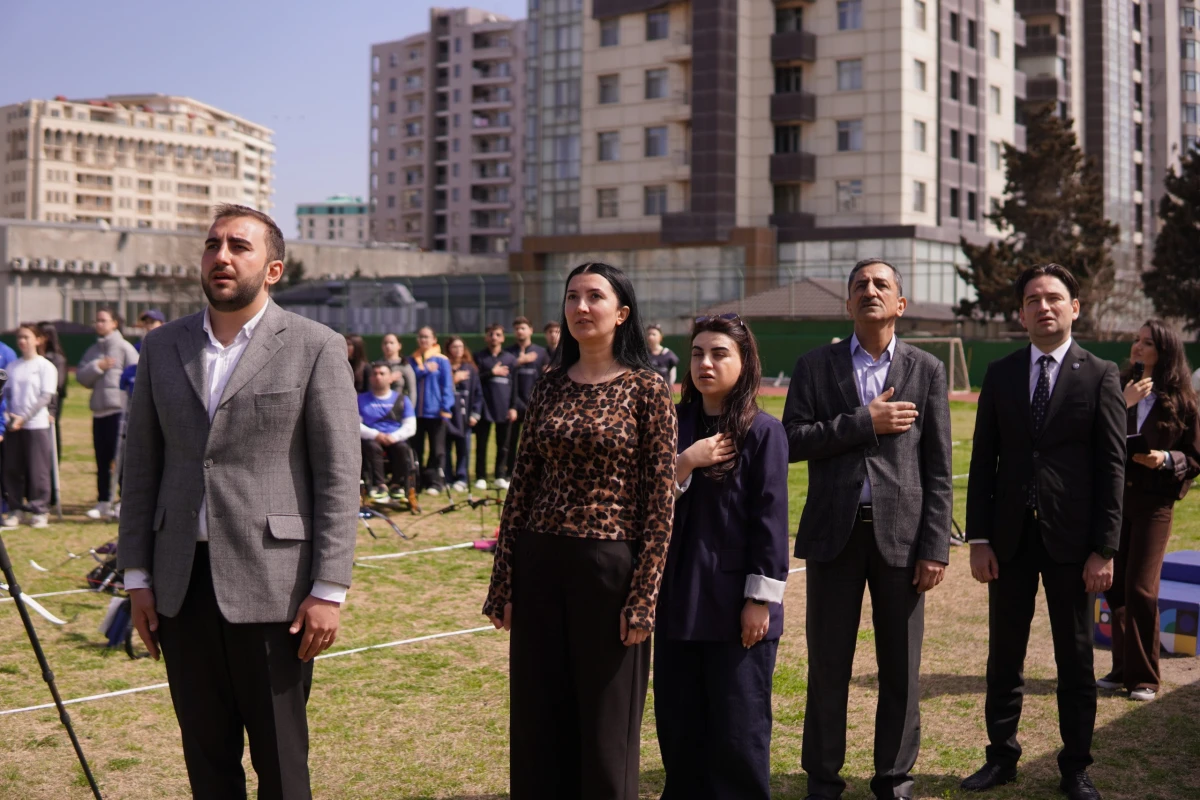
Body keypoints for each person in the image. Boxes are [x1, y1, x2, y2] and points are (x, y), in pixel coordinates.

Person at [117, 204, 361, 799]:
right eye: (212, 244)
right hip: (180, 585)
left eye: (239, 247)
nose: (221, 256)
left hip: (277, 589)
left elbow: (337, 474)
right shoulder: (160, 347)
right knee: (206, 759)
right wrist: (137, 575)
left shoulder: (316, 347)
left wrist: (330, 588)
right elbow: (141, 468)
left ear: (273, 269)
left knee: (281, 762)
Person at [483, 261, 677, 799]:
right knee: (538, 721)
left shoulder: (647, 390)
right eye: (572, 297)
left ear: (623, 313)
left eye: (595, 297)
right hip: (540, 564)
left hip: (610, 568)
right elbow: (520, 487)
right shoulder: (549, 385)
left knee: (606, 727)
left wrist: (644, 597)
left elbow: (661, 501)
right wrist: (503, 584)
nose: (582, 307)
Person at [782, 258, 953, 800]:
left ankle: (894, 778)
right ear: (848, 302)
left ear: (900, 304)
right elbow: (790, 441)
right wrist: (864, 422)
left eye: (882, 285)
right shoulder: (814, 366)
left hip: (901, 540)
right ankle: (823, 779)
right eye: (860, 285)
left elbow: (938, 467)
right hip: (834, 535)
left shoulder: (926, 368)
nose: (869, 291)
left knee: (900, 668)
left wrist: (935, 546)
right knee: (828, 665)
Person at [963, 264, 1125, 800]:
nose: (1044, 306)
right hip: (1009, 541)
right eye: (1033, 299)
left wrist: (1104, 549)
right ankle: (1001, 757)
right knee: (1003, 655)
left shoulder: (1100, 374)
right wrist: (979, 539)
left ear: (1075, 308)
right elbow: (984, 458)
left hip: (1073, 545)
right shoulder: (1002, 371)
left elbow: (1111, 468)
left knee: (1075, 659)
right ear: (1020, 313)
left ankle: (1075, 765)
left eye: (1054, 298)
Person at [655, 314, 790, 799]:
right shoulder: (670, 422)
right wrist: (684, 462)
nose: (705, 363)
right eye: (697, 353)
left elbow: (771, 522)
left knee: (739, 729)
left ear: (745, 361)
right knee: (678, 726)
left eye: (719, 353)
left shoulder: (763, 431)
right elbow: (643, 504)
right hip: (675, 600)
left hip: (736, 606)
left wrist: (761, 600)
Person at [1098, 321, 1200, 703]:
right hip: (1113, 500)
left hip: (1154, 504)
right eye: (1136, 341)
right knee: (1116, 586)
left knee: (1141, 587)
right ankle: (1122, 667)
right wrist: (1120, 403)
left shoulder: (1184, 399)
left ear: (1166, 351)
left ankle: (1145, 678)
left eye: (1147, 343)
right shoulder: (1116, 386)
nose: (1137, 348)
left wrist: (1165, 459)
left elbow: (1194, 457)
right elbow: (1094, 433)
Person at [77, 306, 139, 520]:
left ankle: (122, 501)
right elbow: (81, 377)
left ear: (115, 323)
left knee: (121, 459)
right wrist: (98, 366)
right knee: (102, 459)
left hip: (119, 412)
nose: (99, 324)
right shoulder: (94, 350)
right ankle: (103, 501)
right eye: (97, 320)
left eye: (103, 320)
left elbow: (137, 374)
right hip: (99, 412)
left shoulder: (124, 348)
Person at [1, 324, 59, 529]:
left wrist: (24, 417)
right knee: (12, 468)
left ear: (38, 340)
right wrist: (9, 416)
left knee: (38, 470)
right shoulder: (13, 367)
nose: (22, 341)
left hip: (36, 424)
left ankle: (39, 509)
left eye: (26, 337)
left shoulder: (45, 366)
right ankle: (16, 508)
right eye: (19, 337)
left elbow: (45, 397)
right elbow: (5, 395)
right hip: (14, 425)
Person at [359, 361, 419, 510]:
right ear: (370, 378)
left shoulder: (402, 399)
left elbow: (411, 426)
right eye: (375, 374)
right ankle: (379, 486)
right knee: (371, 447)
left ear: (391, 378)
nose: (378, 377)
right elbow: (355, 424)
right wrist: (375, 434)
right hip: (371, 439)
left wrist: (394, 437)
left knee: (402, 448)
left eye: (382, 373)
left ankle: (397, 486)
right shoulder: (360, 399)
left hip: (395, 438)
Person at [503, 316, 550, 480]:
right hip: (514, 404)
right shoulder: (509, 353)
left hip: (535, 405)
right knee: (510, 441)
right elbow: (506, 376)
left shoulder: (541, 352)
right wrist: (518, 361)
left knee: (535, 441)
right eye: (516, 328)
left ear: (531, 330)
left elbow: (546, 377)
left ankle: (535, 472)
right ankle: (509, 473)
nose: (519, 331)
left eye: (523, 328)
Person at [410, 325, 454, 494]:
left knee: (437, 449)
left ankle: (435, 481)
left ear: (434, 340)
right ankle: (417, 481)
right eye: (420, 337)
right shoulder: (413, 360)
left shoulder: (441, 360)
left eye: (427, 337)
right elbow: (412, 378)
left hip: (436, 412)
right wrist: (425, 370)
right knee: (416, 448)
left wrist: (445, 406)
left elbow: (447, 385)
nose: (423, 340)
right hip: (416, 413)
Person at [474, 324, 518, 490]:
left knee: (503, 444)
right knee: (481, 444)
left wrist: (513, 406)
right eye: (490, 334)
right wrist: (492, 373)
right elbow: (475, 380)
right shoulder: (479, 357)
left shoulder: (510, 359)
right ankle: (480, 476)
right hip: (485, 407)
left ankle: (500, 475)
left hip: (504, 407)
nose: (494, 337)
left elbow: (515, 385)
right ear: (486, 337)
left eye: (497, 334)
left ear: (502, 338)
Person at [444, 336, 482, 493]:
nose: (458, 350)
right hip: (447, 416)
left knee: (464, 448)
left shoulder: (470, 368)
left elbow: (478, 393)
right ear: (448, 349)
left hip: (464, 417)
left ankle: (462, 478)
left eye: (460, 346)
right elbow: (440, 390)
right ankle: (447, 477)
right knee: (445, 448)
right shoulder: (444, 367)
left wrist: (475, 414)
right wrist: (453, 379)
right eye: (454, 347)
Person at [36, 323, 68, 466]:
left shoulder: (57, 359)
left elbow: (58, 384)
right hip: (35, 404)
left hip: (51, 404)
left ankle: (53, 466)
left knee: (51, 436)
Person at [381, 331, 417, 407]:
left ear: (399, 346)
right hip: (379, 407)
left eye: (391, 343)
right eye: (385, 343)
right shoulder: (378, 365)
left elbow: (412, 391)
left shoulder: (405, 366)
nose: (388, 346)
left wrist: (409, 412)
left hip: (398, 409)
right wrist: (389, 379)